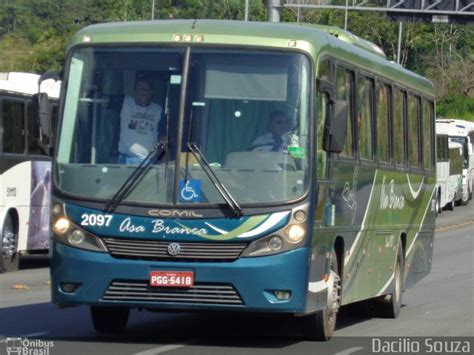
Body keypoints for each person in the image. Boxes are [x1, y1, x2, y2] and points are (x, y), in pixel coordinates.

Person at [118, 76, 162, 164]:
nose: (143, 92)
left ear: (152, 92)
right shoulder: (125, 103)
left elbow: (164, 139)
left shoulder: (158, 110)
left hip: (148, 163)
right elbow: (104, 100)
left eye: (146, 89)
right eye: (140, 89)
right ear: (135, 91)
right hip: (125, 159)